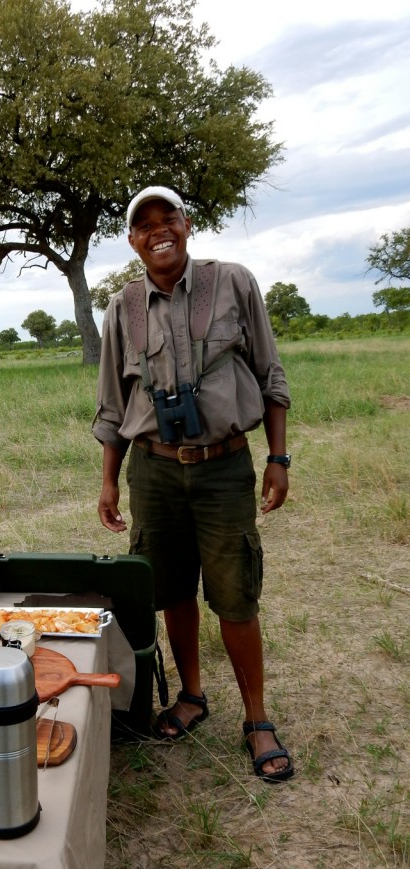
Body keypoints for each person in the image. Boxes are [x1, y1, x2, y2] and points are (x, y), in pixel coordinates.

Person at [93, 185, 294, 782]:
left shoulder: (233, 282)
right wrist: (108, 482)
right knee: (172, 589)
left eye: (168, 218)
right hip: (152, 469)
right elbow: (112, 404)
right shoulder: (120, 308)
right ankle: (191, 695)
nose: (159, 231)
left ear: (186, 225)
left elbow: (270, 374)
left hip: (224, 465)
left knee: (235, 593)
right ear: (132, 240)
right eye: (144, 224)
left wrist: (278, 458)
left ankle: (257, 719)